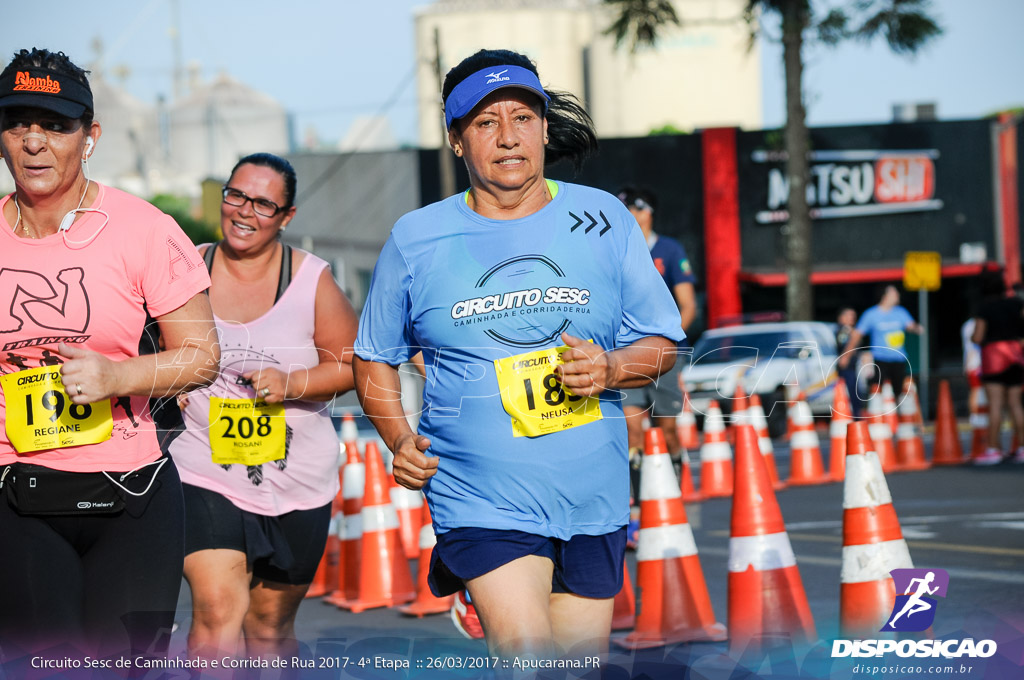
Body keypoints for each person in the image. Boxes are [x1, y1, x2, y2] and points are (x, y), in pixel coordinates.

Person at [353, 49, 683, 660]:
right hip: (478, 495)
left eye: (523, 118)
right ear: (456, 139)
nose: (508, 138)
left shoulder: (605, 218)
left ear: (544, 126)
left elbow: (664, 343)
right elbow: (374, 355)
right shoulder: (417, 237)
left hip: (593, 495)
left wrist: (611, 367)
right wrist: (398, 439)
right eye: (485, 123)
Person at [0, 48, 218, 658]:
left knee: (125, 670)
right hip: (17, 490)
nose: (35, 142)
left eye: (57, 125)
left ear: (89, 136)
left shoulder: (143, 228)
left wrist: (115, 374)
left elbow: (201, 356)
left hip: (132, 494)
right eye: (18, 122)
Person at [169, 153, 358, 658]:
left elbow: (351, 367)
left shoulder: (311, 279)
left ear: (287, 216)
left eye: (263, 203)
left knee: (270, 628)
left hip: (297, 476)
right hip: (203, 466)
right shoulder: (188, 267)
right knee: (216, 609)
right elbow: (145, 344)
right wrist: (168, 378)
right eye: (236, 195)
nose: (244, 211)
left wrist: (291, 382)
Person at [970, 269, 1024, 465]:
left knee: (995, 405)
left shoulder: (984, 308)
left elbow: (977, 336)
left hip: (994, 358)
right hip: (1016, 355)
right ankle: (1022, 448)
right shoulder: (1016, 303)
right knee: (1016, 404)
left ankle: (993, 449)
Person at [839, 285, 922, 394]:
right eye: (894, 293)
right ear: (885, 296)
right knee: (877, 391)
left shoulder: (901, 312)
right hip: (880, 359)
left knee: (899, 392)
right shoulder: (871, 314)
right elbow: (857, 335)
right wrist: (846, 355)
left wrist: (918, 328)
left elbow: (912, 326)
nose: (898, 296)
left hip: (899, 358)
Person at [835, 307, 862, 416]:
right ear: (841, 318)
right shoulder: (844, 331)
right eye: (849, 315)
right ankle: (854, 416)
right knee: (850, 393)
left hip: (853, 367)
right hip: (846, 368)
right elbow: (844, 345)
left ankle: (856, 414)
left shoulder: (851, 330)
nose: (853, 318)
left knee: (854, 392)